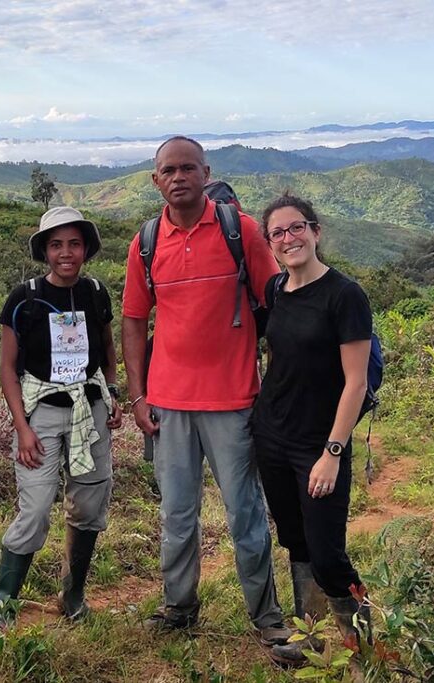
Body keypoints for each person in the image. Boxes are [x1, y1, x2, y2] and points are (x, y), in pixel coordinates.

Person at [121, 136, 290, 645]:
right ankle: (179, 606)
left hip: (234, 400)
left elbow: (278, 307)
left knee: (245, 513)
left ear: (205, 172)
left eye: (187, 168)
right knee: (176, 514)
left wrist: (277, 385)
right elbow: (132, 321)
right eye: (168, 171)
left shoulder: (243, 231)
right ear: (156, 181)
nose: (178, 178)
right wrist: (138, 395)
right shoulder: (145, 242)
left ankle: (268, 620)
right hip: (169, 402)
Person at [251, 192, 374, 667]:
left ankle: (362, 651)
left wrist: (333, 451)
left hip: (318, 445)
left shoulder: (344, 296)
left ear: (315, 231)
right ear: (271, 244)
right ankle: (313, 642)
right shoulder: (276, 290)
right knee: (296, 542)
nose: (289, 237)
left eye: (296, 227)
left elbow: (356, 382)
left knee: (328, 555)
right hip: (273, 437)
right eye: (278, 233)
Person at [0, 206, 122, 629]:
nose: (66, 253)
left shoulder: (96, 293)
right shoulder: (23, 299)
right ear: (45, 251)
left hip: (90, 413)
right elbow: (7, 369)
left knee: (89, 505)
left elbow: (107, 350)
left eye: (74, 244)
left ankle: (73, 597)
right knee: (35, 510)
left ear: (86, 249)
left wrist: (114, 394)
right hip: (41, 415)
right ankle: (4, 609)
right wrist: (23, 428)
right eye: (57, 244)